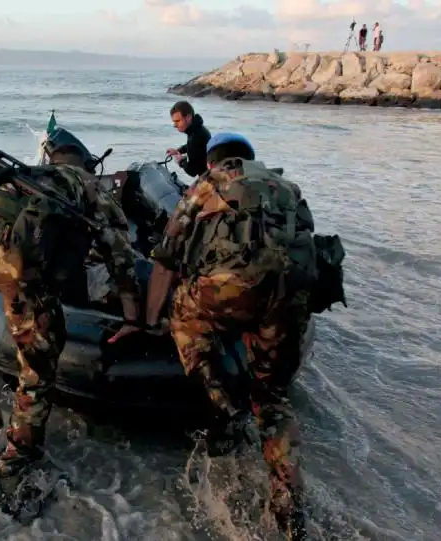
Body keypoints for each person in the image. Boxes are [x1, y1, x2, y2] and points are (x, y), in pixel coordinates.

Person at [110, 132, 320, 540]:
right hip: (292, 297)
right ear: (251, 159)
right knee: (272, 398)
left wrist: (149, 321)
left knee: (183, 316)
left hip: (230, 289)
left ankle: (221, 406)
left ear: (212, 162)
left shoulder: (206, 185)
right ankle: (289, 505)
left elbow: (167, 258)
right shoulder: (287, 188)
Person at [0, 147, 141, 477]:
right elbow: (119, 252)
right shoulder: (86, 184)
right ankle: (19, 454)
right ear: (84, 165)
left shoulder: (21, 175)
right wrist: (132, 314)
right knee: (37, 367)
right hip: (19, 262)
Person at [166, 100, 211, 178]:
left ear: (188, 117)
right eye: (174, 122)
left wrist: (181, 161)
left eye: (178, 121)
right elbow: (191, 146)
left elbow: (192, 171)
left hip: (209, 179)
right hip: (209, 174)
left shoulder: (196, 136)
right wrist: (178, 150)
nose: (175, 125)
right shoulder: (198, 129)